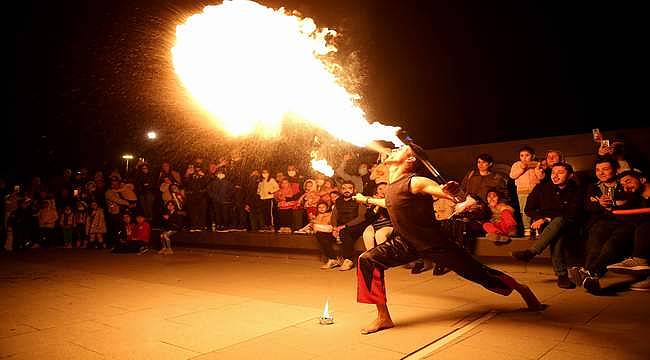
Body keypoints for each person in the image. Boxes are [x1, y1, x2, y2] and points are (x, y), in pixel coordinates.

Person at [353, 145, 542, 334]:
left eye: (401, 148)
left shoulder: (416, 181)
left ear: (410, 160)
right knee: (367, 260)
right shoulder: (392, 183)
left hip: (435, 243)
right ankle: (383, 317)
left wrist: (452, 192)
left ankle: (522, 289)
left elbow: (442, 192)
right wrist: (367, 200)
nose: (393, 148)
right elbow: (390, 202)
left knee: (479, 273)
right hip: (407, 241)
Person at [511, 163, 583, 288]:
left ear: (570, 175)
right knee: (557, 235)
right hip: (549, 227)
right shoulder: (542, 188)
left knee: (560, 222)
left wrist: (546, 218)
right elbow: (529, 209)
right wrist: (540, 218)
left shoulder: (577, 190)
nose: (555, 176)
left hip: (571, 224)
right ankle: (562, 277)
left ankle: (533, 252)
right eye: (553, 172)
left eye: (560, 172)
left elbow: (573, 212)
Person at [605, 169, 650, 291]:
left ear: (642, 180)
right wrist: (609, 206)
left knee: (645, 224)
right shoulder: (637, 200)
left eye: (628, 181)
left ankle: (639, 260)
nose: (625, 187)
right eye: (623, 185)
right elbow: (624, 211)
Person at [509, 146, 545, 237]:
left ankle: (537, 228)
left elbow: (541, 177)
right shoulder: (517, 165)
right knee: (524, 210)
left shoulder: (537, 164)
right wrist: (522, 168)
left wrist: (537, 169)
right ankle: (527, 228)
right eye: (522, 155)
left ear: (532, 156)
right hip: (522, 191)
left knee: (536, 209)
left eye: (527, 155)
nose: (524, 158)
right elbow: (512, 175)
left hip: (535, 191)